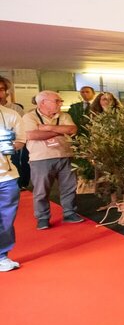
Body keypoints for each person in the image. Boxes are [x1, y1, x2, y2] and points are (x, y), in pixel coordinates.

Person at [23, 91, 84, 229]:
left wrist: (47, 128)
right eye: (57, 101)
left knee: (69, 187)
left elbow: (72, 129)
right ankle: (42, 218)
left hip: (65, 155)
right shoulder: (29, 117)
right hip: (40, 158)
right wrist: (60, 131)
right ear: (43, 102)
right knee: (41, 191)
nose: (60, 104)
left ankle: (70, 213)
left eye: (60, 101)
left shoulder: (64, 115)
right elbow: (32, 135)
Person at [0, 91, 26, 272]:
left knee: (5, 219)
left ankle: (2, 256)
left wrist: (9, 145)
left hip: (7, 176)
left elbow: (21, 141)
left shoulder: (11, 115)